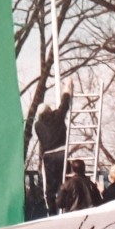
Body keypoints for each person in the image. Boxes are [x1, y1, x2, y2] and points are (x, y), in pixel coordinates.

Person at [33, 79, 73, 216]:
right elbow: (64, 103)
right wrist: (67, 87)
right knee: (66, 182)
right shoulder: (57, 116)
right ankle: (69, 206)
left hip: (48, 156)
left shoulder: (37, 126)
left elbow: (42, 141)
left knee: (50, 187)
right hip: (62, 153)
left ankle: (52, 211)